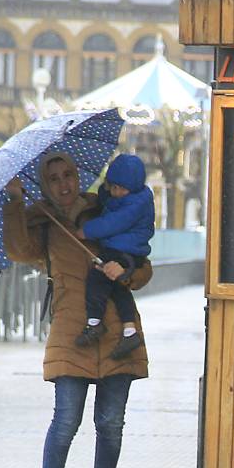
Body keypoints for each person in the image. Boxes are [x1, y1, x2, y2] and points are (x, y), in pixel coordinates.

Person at [2, 151, 152, 468]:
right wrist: (17, 202)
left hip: (119, 332)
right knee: (66, 420)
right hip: (71, 333)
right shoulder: (43, 223)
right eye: (54, 179)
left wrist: (127, 271)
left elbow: (142, 262)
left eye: (68, 174)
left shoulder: (103, 209)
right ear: (45, 185)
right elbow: (19, 250)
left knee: (111, 423)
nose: (64, 183)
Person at [73, 154, 155, 360]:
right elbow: (108, 203)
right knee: (118, 288)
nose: (116, 192)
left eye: (121, 189)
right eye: (113, 187)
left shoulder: (135, 204)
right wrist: (104, 190)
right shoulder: (122, 197)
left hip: (125, 251)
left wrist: (87, 230)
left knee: (97, 279)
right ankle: (130, 331)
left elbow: (113, 222)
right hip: (124, 250)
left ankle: (94, 323)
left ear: (134, 188)